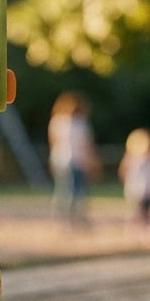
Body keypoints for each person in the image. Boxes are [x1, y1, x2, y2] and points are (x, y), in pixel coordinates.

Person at [48, 92, 101, 223]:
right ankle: (75, 216)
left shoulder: (57, 121)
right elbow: (87, 144)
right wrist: (93, 161)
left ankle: (64, 216)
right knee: (78, 189)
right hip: (78, 160)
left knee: (64, 188)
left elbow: (53, 143)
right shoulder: (81, 123)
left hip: (60, 159)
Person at [118, 128, 150, 227]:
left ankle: (144, 227)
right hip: (138, 190)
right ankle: (140, 227)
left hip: (148, 190)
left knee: (147, 210)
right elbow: (125, 172)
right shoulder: (133, 159)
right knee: (140, 211)